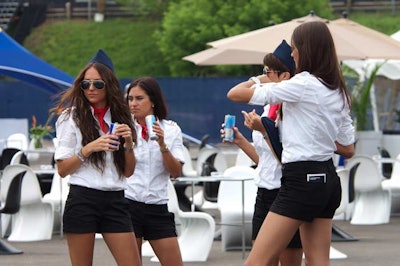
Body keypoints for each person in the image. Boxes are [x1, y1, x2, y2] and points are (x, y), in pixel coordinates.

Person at [227, 21, 355, 266]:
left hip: (301, 181)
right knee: (318, 262)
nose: (292, 53)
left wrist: (260, 78)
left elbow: (235, 94)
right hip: (327, 179)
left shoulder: (302, 84)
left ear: (306, 50)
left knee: (256, 262)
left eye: (295, 48)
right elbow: (348, 148)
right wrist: (319, 137)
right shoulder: (338, 89)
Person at [52, 49, 141, 266]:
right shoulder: (70, 117)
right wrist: (88, 149)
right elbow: (63, 169)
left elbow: (128, 172)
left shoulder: (123, 117)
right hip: (83, 198)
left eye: (98, 84)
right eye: (86, 84)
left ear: (109, 85)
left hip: (115, 199)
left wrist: (129, 143)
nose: (91, 88)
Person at [223, 40, 303, 266]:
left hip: (286, 191)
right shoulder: (270, 105)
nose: (265, 75)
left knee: (288, 261)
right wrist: (240, 140)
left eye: (268, 71)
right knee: (262, 260)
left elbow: (284, 157)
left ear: (284, 75)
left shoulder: (292, 105)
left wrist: (264, 129)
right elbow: (264, 161)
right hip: (265, 190)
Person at [125, 76, 184, 266]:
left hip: (157, 205)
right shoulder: (124, 128)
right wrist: (127, 144)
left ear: (153, 101)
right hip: (129, 203)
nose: (133, 103)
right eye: (130, 98)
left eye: (139, 98)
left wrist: (162, 143)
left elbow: (176, 172)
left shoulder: (171, 129)